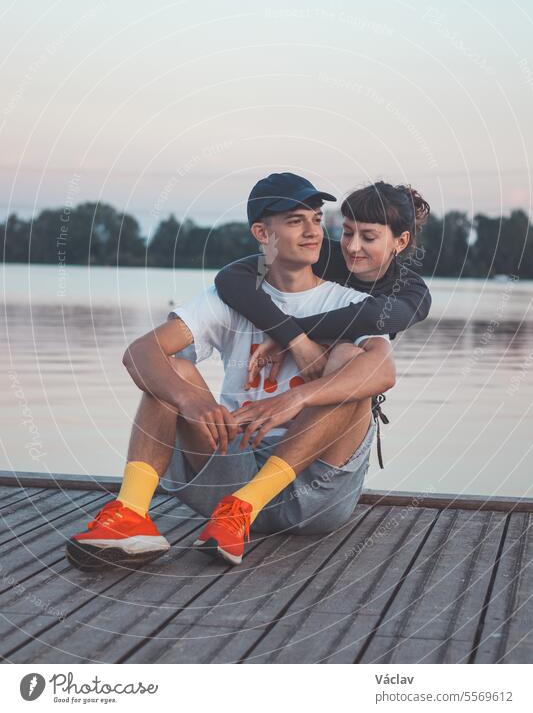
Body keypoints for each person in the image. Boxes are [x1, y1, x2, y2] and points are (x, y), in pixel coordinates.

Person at [66, 172, 396, 569]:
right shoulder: (227, 298)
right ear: (262, 232)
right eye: (296, 221)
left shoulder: (348, 301)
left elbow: (382, 373)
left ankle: (246, 507)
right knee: (171, 371)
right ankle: (132, 514)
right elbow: (139, 353)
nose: (313, 231)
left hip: (314, 488)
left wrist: (294, 399)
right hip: (230, 470)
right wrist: (189, 400)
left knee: (352, 371)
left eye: (315, 217)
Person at [214, 177, 432, 466]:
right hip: (279, 407)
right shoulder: (326, 255)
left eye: (368, 237)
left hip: (340, 415)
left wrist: (288, 332)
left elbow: (370, 316)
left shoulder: (412, 292)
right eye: (346, 232)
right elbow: (231, 277)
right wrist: (292, 338)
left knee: (348, 355)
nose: (353, 248)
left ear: (400, 241)